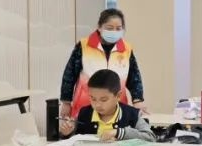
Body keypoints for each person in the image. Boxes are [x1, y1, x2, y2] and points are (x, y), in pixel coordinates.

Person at [59, 8, 146, 136]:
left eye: (118, 28)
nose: (114, 32)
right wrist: (66, 102)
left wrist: (137, 100)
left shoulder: (126, 49)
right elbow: (69, 75)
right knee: (82, 137)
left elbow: (134, 76)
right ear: (99, 27)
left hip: (115, 105)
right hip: (86, 105)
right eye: (110, 28)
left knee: (115, 137)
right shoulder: (84, 46)